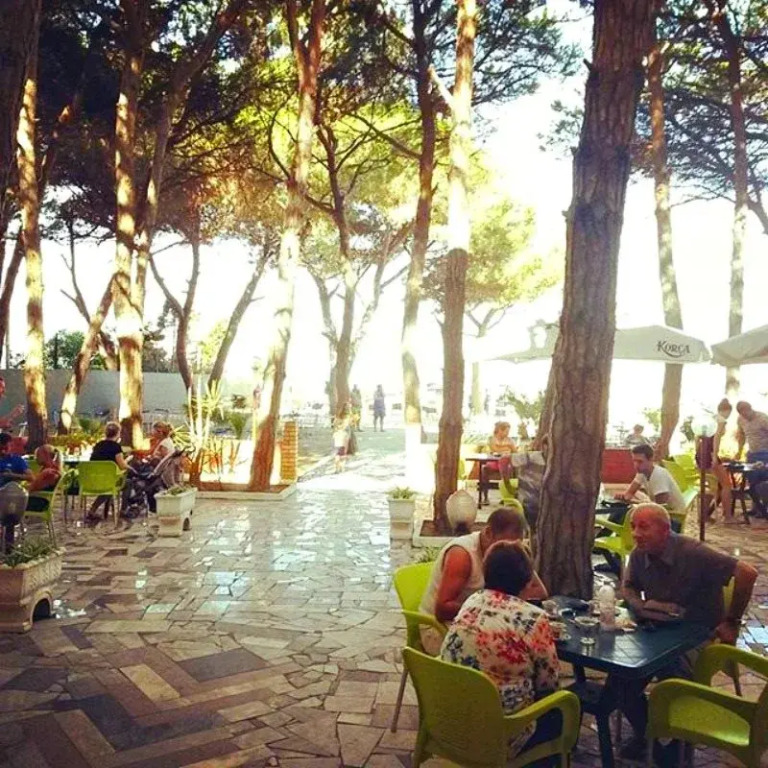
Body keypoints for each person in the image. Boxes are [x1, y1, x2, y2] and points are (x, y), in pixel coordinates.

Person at [613, 503, 758, 762]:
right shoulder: (639, 554)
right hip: (659, 631)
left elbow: (747, 573)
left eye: (644, 527)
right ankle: (649, 737)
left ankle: (677, 745)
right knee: (620, 680)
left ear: (665, 530)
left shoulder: (693, 552)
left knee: (673, 677)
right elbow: (629, 587)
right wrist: (641, 606)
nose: (635, 534)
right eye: (633, 527)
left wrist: (732, 621)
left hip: (698, 634)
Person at [440, 541, 561, 761]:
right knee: (562, 709)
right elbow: (549, 686)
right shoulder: (533, 618)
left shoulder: (471, 602)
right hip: (500, 733)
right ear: (527, 579)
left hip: (453, 722)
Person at [419, 507, 547, 653]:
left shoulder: (511, 552)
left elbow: (539, 591)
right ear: (488, 533)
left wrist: (503, 607)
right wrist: (490, 609)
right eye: (502, 544)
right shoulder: (462, 555)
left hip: (481, 622)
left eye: (514, 547)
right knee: (502, 651)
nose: (508, 551)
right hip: (438, 628)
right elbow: (442, 610)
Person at [615, 444, 686, 520]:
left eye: (640, 461)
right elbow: (629, 493)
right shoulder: (642, 472)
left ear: (651, 459)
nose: (636, 465)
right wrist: (623, 497)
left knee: (624, 516)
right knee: (619, 511)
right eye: (634, 461)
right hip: (661, 512)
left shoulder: (658, 475)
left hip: (673, 517)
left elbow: (660, 508)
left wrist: (636, 503)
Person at [87, 422, 129, 521]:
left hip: (93, 479)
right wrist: (128, 463)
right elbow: (122, 466)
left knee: (109, 485)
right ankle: (123, 510)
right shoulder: (116, 447)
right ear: (118, 433)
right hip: (109, 480)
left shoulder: (98, 445)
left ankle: (93, 510)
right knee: (128, 483)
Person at [706, 398, 737, 523]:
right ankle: (727, 516)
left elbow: (698, 438)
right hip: (710, 453)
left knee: (717, 485)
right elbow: (717, 437)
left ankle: (706, 514)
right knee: (726, 485)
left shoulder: (710, 419)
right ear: (727, 411)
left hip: (702, 452)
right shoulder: (721, 420)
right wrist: (714, 456)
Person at [736, 401, 768, 516]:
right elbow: (741, 436)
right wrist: (739, 451)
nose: (744, 416)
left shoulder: (763, 418)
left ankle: (764, 509)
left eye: (745, 413)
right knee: (752, 481)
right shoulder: (740, 420)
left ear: (750, 409)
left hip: (764, 453)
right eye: (742, 414)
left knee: (762, 482)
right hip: (752, 454)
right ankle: (755, 507)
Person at [481, 421, 516, 505]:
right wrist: (507, 447)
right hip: (494, 461)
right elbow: (495, 449)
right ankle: (485, 497)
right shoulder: (492, 439)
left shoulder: (510, 440)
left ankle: (507, 496)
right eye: (506, 431)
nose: (507, 433)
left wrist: (503, 448)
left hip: (506, 462)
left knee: (510, 468)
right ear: (500, 430)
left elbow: (514, 451)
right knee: (485, 469)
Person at [26, 445, 62, 511]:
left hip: (38, 503)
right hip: (43, 501)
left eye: (38, 455)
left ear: (45, 455)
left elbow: (32, 488)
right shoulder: (54, 468)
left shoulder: (48, 473)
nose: (36, 458)